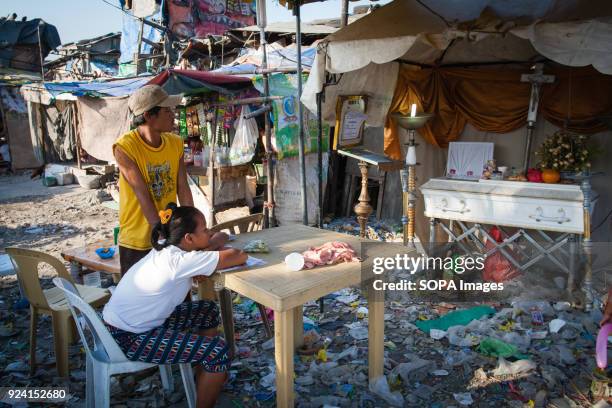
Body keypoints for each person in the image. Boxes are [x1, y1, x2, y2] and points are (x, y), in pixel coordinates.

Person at [103, 203, 247, 408]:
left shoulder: (166, 245)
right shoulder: (179, 261)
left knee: (207, 310)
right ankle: (210, 373)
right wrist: (208, 250)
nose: (208, 232)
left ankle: (206, 374)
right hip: (129, 338)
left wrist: (206, 248)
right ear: (188, 238)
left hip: (121, 325)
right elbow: (238, 255)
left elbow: (220, 235)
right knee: (218, 351)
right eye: (204, 230)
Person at [114, 85, 194, 275]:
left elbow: (183, 188)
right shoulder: (125, 148)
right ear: (149, 116)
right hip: (137, 240)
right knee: (141, 299)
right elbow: (142, 194)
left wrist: (192, 225)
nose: (172, 115)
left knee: (179, 299)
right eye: (167, 111)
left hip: (169, 232)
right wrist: (161, 233)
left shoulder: (175, 143)